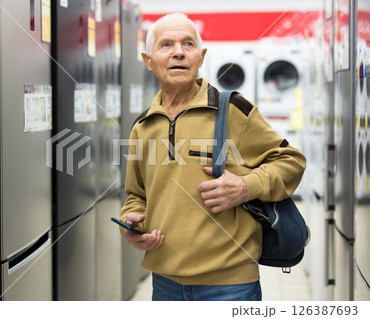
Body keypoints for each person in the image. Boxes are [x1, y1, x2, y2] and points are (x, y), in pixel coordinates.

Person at [118, 13, 306, 301]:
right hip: (165, 282)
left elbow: (291, 161)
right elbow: (136, 195)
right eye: (166, 44)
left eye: (188, 44)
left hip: (230, 284)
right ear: (148, 60)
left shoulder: (232, 111)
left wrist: (246, 186)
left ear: (201, 56)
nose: (178, 52)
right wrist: (131, 224)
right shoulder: (142, 127)